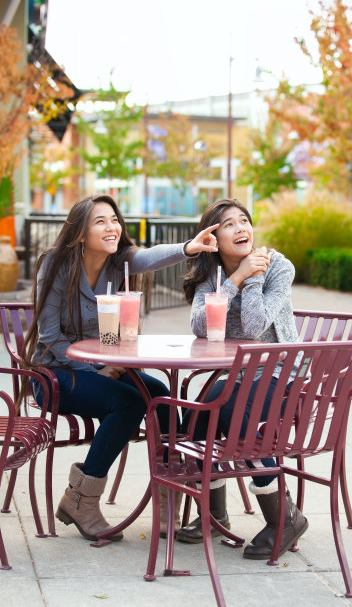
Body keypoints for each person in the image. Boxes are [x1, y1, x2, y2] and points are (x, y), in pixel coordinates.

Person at [21, 194, 218, 542]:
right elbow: (50, 337)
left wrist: (189, 247)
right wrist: (96, 367)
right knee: (128, 403)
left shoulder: (118, 263)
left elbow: (149, 256)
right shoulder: (56, 265)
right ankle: (81, 498)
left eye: (114, 219)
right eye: (100, 221)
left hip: (102, 368)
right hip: (55, 374)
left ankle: (166, 493)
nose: (112, 227)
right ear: (80, 232)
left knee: (160, 395)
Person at [176, 198, 308, 560]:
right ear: (214, 237)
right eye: (229, 224)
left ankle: (285, 518)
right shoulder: (212, 274)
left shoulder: (278, 267)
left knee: (233, 414)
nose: (241, 228)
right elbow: (200, 326)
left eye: (244, 221)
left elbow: (253, 328)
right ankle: (215, 513)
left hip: (282, 374)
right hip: (241, 375)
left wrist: (253, 277)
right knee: (200, 413)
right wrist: (235, 278)